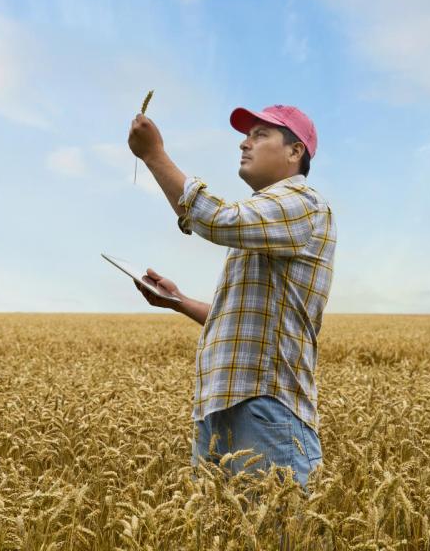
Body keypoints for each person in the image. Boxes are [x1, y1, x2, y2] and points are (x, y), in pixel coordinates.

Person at [128, 104, 336, 493]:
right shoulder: (268, 221)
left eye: (260, 135)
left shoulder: (301, 202)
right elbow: (241, 323)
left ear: (295, 152)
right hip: (221, 408)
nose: (244, 142)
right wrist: (179, 301)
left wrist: (154, 155)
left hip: (266, 408)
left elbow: (218, 219)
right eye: (247, 134)